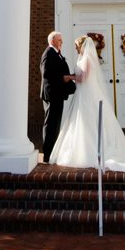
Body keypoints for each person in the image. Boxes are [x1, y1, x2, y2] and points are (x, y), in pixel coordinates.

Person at [49, 34, 125, 171]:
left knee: (89, 121)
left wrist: (69, 77)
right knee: (82, 123)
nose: (75, 48)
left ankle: (91, 152)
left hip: (88, 95)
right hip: (82, 95)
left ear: (82, 46)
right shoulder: (82, 58)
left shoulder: (88, 59)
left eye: (76, 45)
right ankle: (82, 149)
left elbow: (83, 78)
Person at [40, 31, 76, 163]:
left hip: (58, 94)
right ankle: (47, 155)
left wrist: (70, 76)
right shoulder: (48, 53)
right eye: (59, 40)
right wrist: (65, 77)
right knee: (50, 125)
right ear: (53, 40)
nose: (62, 42)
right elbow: (47, 75)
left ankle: (52, 154)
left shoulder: (56, 54)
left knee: (55, 125)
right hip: (52, 95)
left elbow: (58, 71)